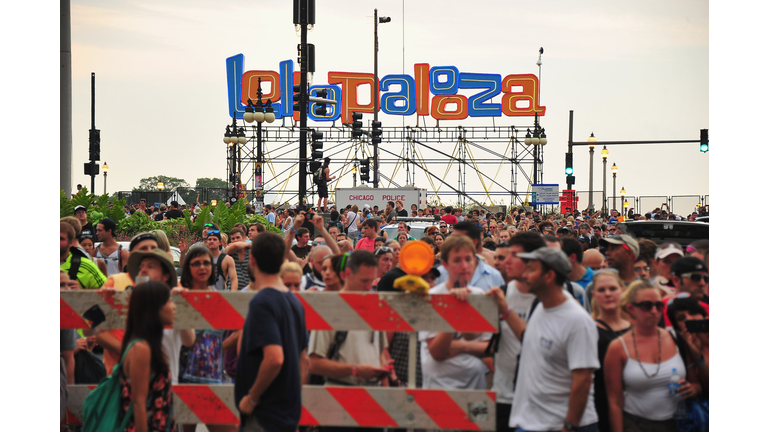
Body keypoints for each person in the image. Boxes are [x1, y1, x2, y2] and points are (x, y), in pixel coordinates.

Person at [507, 247, 600, 432]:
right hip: (533, 421)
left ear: (549, 276)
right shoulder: (542, 306)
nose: (524, 274)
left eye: (531, 269)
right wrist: (504, 310)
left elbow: (583, 379)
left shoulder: (576, 320)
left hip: (561, 424)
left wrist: (569, 426)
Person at [604, 279, 702, 432]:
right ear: (631, 308)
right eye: (647, 306)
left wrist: (693, 389)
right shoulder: (617, 348)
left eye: (659, 305)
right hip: (636, 424)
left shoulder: (675, 339)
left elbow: (696, 383)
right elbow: (614, 402)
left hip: (679, 424)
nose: (654, 311)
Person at [235, 232, 308, 432]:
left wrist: (252, 397)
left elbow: (274, 358)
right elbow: (303, 360)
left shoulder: (262, 302)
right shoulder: (294, 301)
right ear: (281, 260)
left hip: (265, 413)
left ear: (253, 261)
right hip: (287, 411)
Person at [420, 235, 492, 390]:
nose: (464, 266)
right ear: (445, 264)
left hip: (475, 388)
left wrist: (457, 346)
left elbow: (489, 348)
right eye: (457, 260)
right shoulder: (432, 298)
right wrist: (455, 310)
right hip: (439, 388)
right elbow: (437, 352)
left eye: (468, 259)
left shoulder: (480, 296)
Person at [117, 281, 177, 432]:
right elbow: (139, 404)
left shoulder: (148, 344)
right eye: (169, 302)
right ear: (154, 309)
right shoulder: (141, 349)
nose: (174, 307)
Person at [591, 270, 632, 432]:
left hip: (635, 411)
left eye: (612, 289)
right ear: (593, 294)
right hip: (600, 409)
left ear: (622, 291)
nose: (607, 294)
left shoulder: (634, 329)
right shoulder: (588, 330)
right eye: (602, 290)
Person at [60, 222, 106, 289]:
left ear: (71, 242)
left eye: (61, 239)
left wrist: (82, 293)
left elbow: (108, 293)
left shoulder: (85, 265)